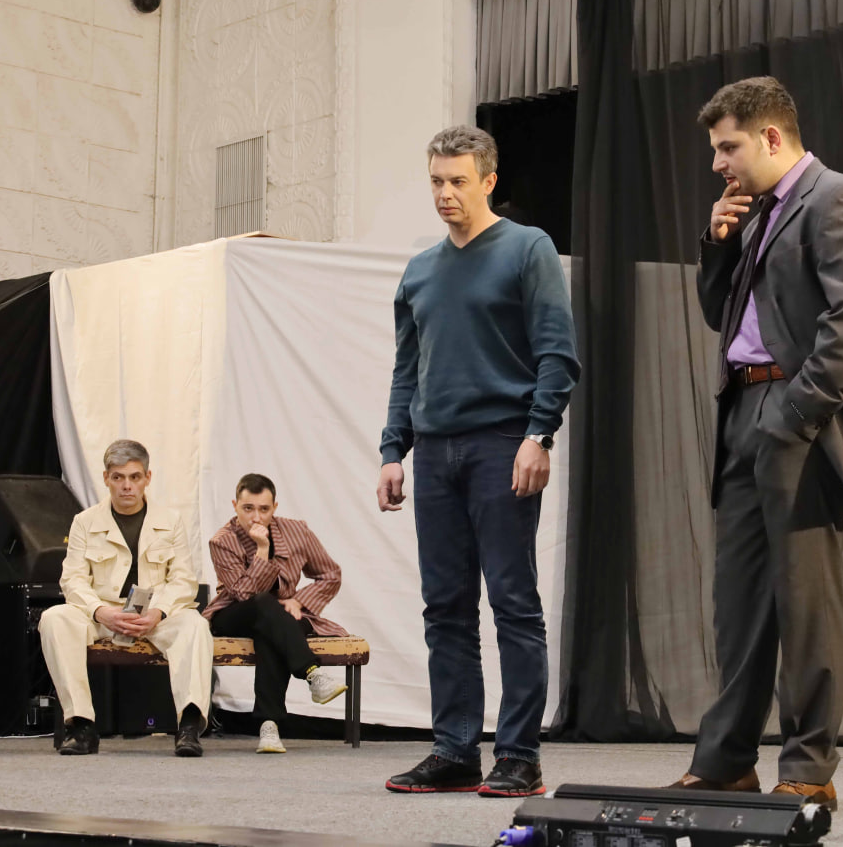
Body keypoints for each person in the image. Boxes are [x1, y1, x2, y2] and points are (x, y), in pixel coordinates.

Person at [672, 76, 843, 810]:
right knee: (737, 603)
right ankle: (725, 760)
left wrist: (796, 413)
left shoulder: (840, 197)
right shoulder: (757, 211)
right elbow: (720, 313)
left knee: (805, 602)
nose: (718, 164)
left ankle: (807, 767)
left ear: (771, 137)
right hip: (741, 407)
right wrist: (717, 244)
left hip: (795, 413)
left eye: (727, 147)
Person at [376, 125, 580, 797]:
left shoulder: (528, 248)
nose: (445, 193)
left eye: (458, 181)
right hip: (434, 453)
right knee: (445, 607)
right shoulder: (419, 270)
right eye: (437, 180)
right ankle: (455, 749)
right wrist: (393, 450)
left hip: (503, 445)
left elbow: (557, 352)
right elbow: (408, 370)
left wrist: (538, 434)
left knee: (513, 602)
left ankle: (518, 754)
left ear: (489, 181)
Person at [39, 439, 213, 757]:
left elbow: (183, 579)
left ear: (147, 478)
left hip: (155, 614)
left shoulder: (170, 521)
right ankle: (81, 726)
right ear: (106, 478)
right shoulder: (84, 522)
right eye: (118, 477)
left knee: (195, 625)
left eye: (134, 477)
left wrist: (159, 612)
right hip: (103, 613)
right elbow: (72, 579)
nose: (126, 486)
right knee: (54, 618)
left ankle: (188, 727)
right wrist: (100, 611)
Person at [201, 473, 350, 754]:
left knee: (271, 630)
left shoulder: (296, 531)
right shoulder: (221, 540)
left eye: (264, 509)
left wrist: (300, 602)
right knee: (264, 604)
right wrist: (262, 549)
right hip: (234, 613)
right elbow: (243, 594)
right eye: (248, 508)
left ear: (275, 508)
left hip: (281, 617)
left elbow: (331, 573)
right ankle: (312, 673)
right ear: (235, 505)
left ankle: (269, 727)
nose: (256, 517)